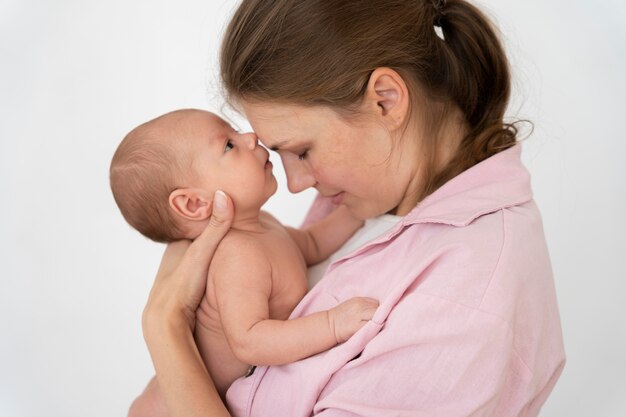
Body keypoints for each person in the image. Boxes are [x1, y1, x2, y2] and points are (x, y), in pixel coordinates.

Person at [138, 0, 566, 416]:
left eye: (302, 151)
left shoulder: (464, 303)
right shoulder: (365, 193)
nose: (295, 184)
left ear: (385, 100)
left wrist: (165, 332)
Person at [110, 109, 378, 410]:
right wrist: (331, 324)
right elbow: (250, 340)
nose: (250, 137)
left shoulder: (260, 224)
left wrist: (358, 208)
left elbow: (310, 244)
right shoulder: (236, 255)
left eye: (235, 131)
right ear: (194, 202)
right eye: (228, 145)